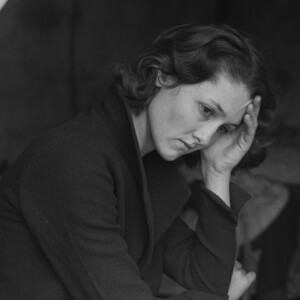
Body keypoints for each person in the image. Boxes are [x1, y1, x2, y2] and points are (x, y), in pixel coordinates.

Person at [0, 24, 275, 300]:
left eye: (224, 129)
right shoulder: (72, 160)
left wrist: (218, 171)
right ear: (163, 75)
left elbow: (208, 281)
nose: (205, 137)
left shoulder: (144, 170)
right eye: (206, 110)